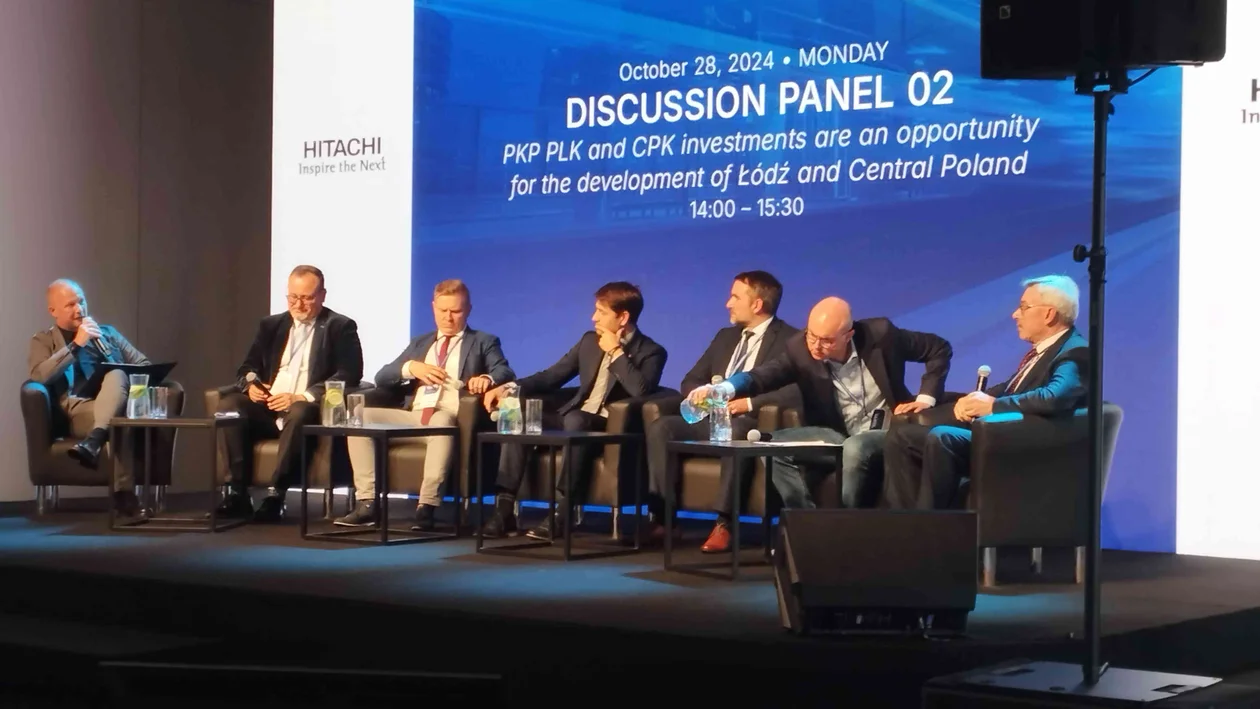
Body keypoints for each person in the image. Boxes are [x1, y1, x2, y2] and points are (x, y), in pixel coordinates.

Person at [691, 296, 952, 517]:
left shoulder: (881, 335)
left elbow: (938, 348)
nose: (815, 346)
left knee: (855, 447)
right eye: (812, 336)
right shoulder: (800, 349)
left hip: (887, 432)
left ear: (848, 335)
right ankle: (806, 522)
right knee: (770, 447)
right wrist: (724, 389)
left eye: (826, 340)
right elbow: (762, 376)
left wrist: (925, 399)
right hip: (837, 433)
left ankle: (846, 527)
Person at [480, 282, 667, 541]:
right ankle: (504, 509)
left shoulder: (652, 352)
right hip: (572, 415)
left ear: (623, 317)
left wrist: (615, 352)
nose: (594, 317)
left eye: (601, 312)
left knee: (577, 419)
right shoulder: (589, 341)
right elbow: (552, 376)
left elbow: (641, 390)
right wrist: (508, 388)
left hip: (610, 426)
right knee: (521, 411)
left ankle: (563, 512)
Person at [883, 275, 1088, 510]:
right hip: (1008, 435)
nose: (1015, 314)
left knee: (942, 437)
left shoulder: (1075, 351)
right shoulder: (1046, 350)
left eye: (1024, 307)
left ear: (1049, 314)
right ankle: (908, 523)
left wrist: (992, 406)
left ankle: (929, 524)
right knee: (902, 436)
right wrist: (971, 400)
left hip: (1029, 446)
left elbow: (1054, 397)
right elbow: (1010, 387)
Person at [334, 279, 514, 531]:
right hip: (414, 417)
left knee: (442, 420)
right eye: (443, 310)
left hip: (448, 416)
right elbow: (382, 377)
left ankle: (426, 506)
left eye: (455, 311)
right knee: (358, 416)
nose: (448, 318)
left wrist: (486, 379)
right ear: (433, 307)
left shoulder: (483, 341)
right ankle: (368, 502)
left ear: (468, 310)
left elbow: (504, 371)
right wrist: (410, 368)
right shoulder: (420, 343)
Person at [644, 271, 799, 552]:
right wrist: (704, 396)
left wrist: (748, 403)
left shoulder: (790, 340)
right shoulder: (725, 337)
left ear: (757, 304)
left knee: (736, 433)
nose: (728, 303)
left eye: (735, 297)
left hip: (750, 422)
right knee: (662, 427)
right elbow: (691, 378)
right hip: (712, 417)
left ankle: (724, 523)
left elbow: (796, 390)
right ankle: (664, 519)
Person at [214, 265, 364, 522]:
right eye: (293, 297)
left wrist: (303, 396)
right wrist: (252, 386)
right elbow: (247, 368)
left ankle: (276, 494)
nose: (299, 304)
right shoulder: (271, 325)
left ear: (322, 295)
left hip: (307, 408)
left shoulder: (340, 326)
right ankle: (237, 493)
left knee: (299, 410)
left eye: (306, 298)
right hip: (269, 405)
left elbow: (349, 373)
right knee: (230, 406)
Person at [28, 279, 151, 523]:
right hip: (77, 410)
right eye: (70, 305)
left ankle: (95, 440)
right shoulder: (43, 340)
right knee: (119, 420)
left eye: (81, 301)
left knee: (117, 377)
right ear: (53, 311)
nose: (79, 309)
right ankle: (125, 498)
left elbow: (143, 365)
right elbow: (39, 375)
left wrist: (130, 386)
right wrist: (76, 345)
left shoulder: (108, 333)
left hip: (115, 405)